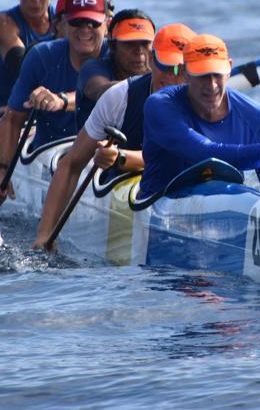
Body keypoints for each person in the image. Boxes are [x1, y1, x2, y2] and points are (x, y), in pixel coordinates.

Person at [140, 34, 260, 262]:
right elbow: (204, 154)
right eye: (202, 75)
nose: (212, 85)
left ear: (229, 69)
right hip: (159, 211)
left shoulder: (254, 115)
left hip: (219, 220)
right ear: (184, 72)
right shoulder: (160, 106)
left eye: (217, 74)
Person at [32, 23, 196, 249]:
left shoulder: (207, 103)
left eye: (181, 70)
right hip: (126, 183)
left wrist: (120, 157)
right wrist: (44, 235)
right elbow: (70, 165)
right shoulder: (120, 97)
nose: (172, 77)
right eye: (165, 66)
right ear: (151, 60)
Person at [0, 0, 108, 204]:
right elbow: (13, 119)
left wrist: (61, 101)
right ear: (63, 24)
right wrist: (0, 171)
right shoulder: (41, 57)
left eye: (93, 23)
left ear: (107, 24)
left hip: (104, 155)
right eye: (77, 22)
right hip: (51, 154)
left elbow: (111, 92)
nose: (85, 30)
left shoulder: (120, 55)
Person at [74, 9, 155, 128]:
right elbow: (102, 91)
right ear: (112, 46)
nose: (139, 51)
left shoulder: (159, 73)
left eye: (145, 43)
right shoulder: (92, 68)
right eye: (130, 43)